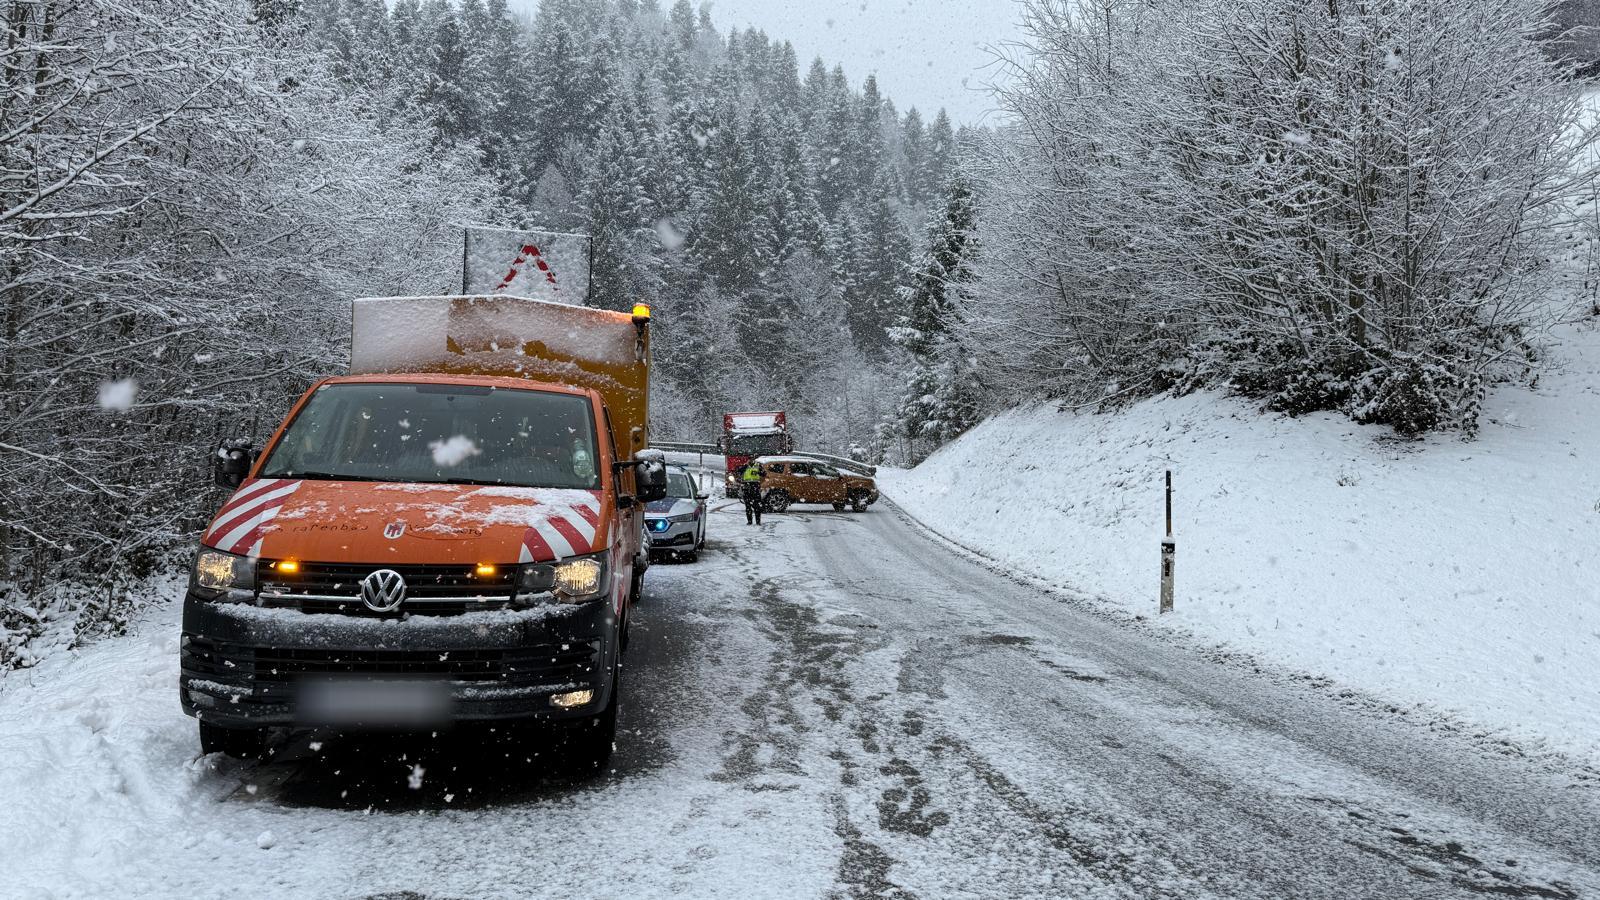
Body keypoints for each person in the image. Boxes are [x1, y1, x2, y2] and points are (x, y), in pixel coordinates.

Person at [739, 459, 765, 525]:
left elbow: (764, 474)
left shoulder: (758, 466)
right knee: (748, 506)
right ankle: (749, 521)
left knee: (757, 506)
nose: (750, 461)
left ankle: (758, 522)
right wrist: (745, 466)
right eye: (749, 459)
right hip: (747, 488)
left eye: (752, 459)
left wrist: (758, 472)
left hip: (755, 487)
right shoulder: (745, 466)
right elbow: (739, 472)